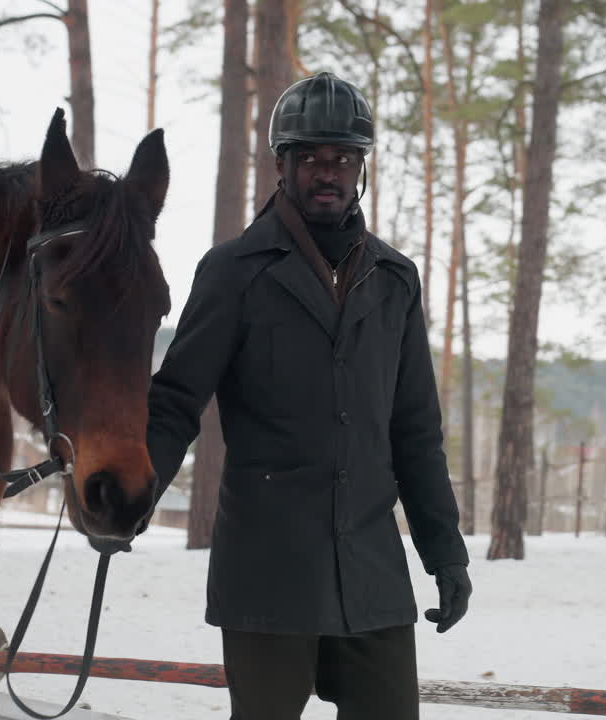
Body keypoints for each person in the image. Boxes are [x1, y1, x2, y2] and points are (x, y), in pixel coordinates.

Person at [146, 71, 471, 720]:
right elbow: (176, 401)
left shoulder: (394, 281)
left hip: (371, 570)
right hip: (269, 571)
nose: (329, 173)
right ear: (281, 166)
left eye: (343, 158)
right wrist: (126, 503)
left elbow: (415, 434)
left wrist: (445, 553)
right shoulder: (233, 273)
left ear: (362, 169)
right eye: (311, 159)